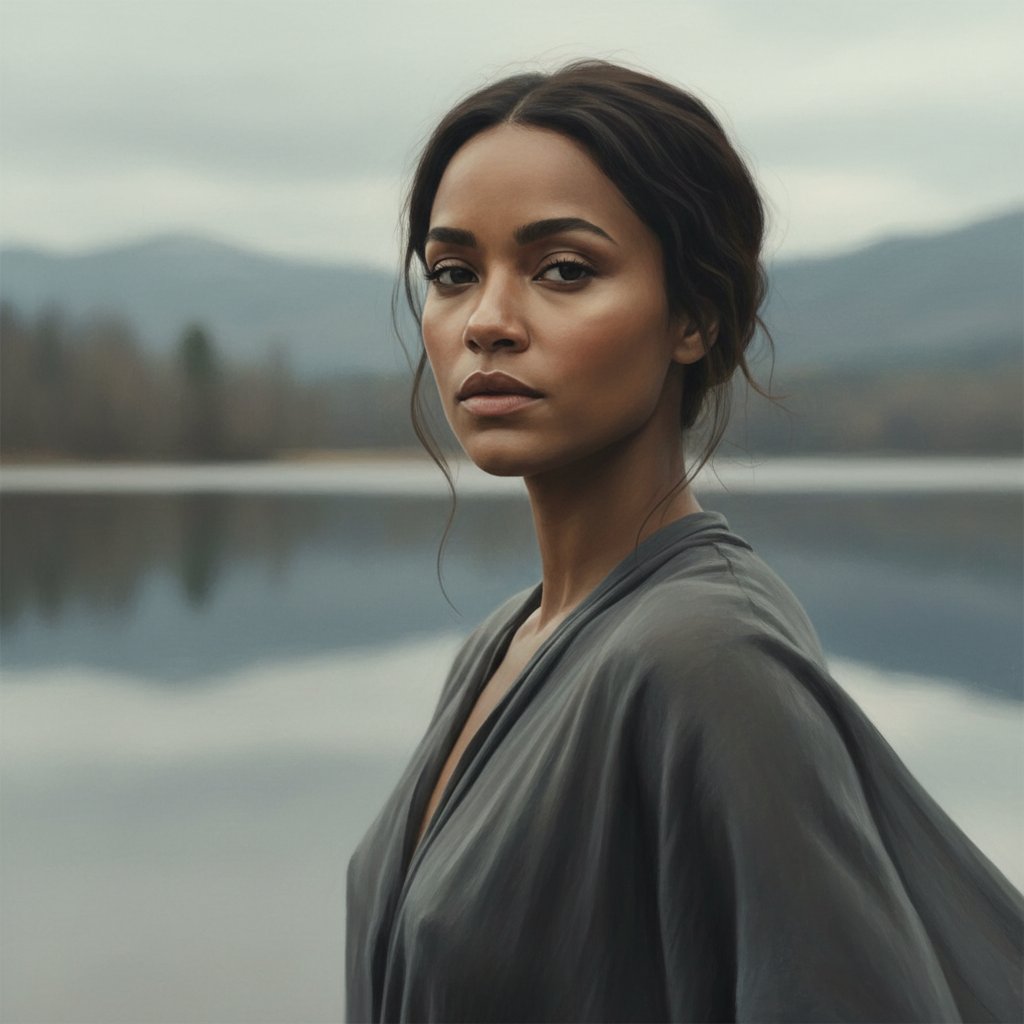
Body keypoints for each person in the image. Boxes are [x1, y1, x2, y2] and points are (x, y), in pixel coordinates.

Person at [345, 60, 1023, 1023]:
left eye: (563, 270)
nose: (487, 321)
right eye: (454, 273)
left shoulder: (705, 657)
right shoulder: (501, 645)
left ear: (694, 318)